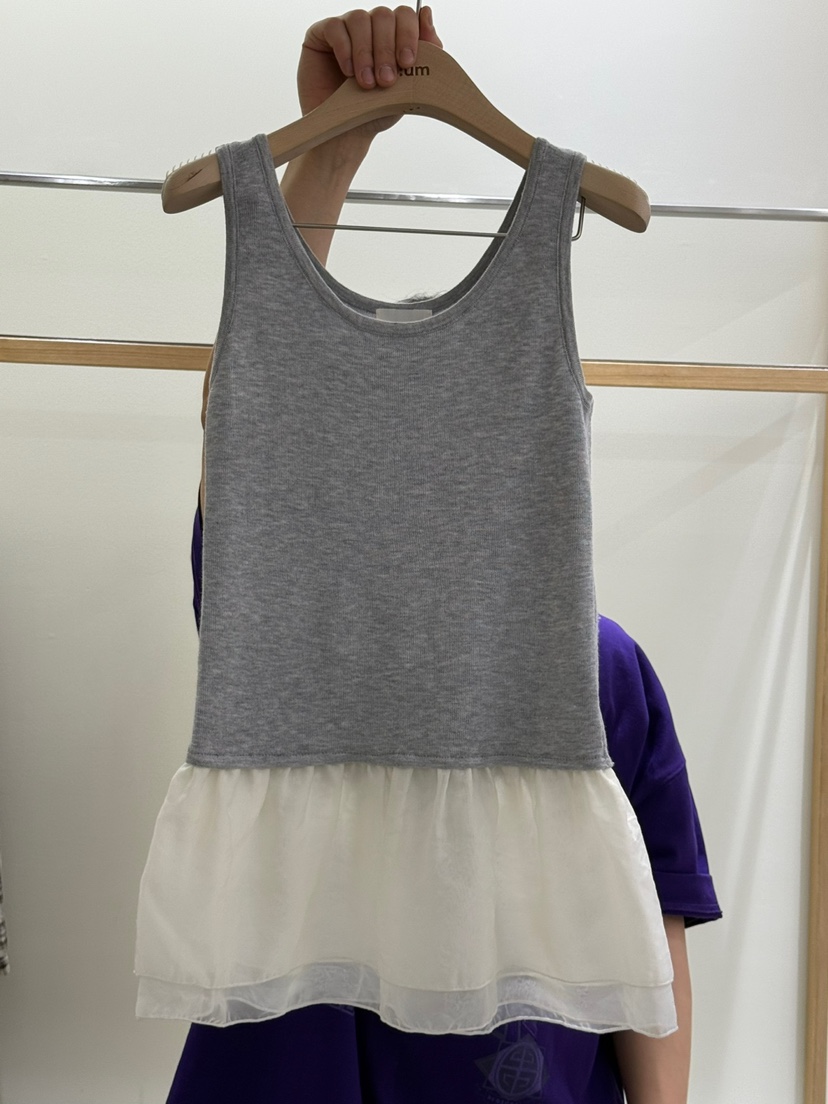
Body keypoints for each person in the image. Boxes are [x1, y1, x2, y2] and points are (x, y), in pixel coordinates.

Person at [176, 8, 723, 1102]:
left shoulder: (602, 669)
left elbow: (652, 929)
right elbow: (255, 400)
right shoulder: (289, 609)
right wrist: (330, 148)